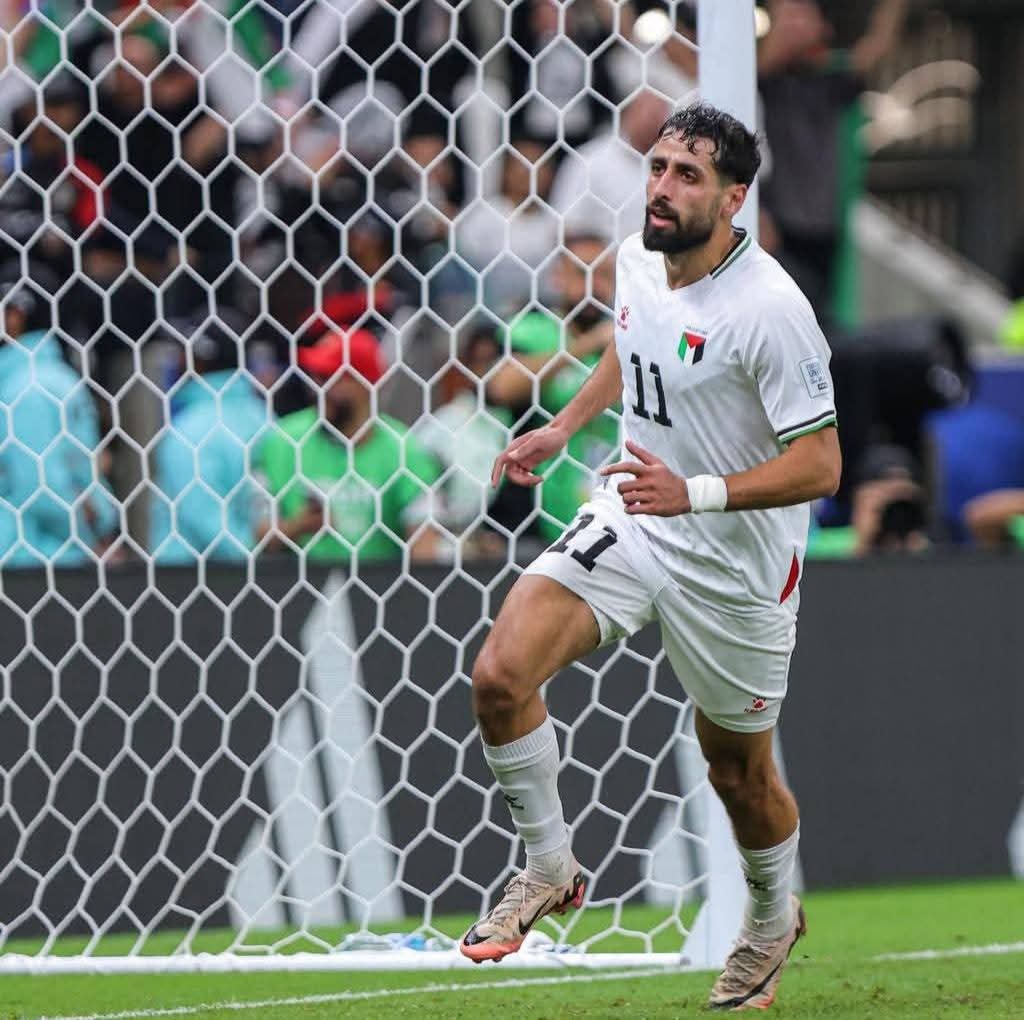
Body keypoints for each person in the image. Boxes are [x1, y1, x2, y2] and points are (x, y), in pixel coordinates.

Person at [459, 103, 842, 1014]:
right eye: (659, 167)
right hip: (636, 516)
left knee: (738, 775)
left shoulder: (771, 309)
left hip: (735, 567)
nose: (662, 188)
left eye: (688, 176)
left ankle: (769, 917)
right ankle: (548, 865)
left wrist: (695, 492)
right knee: (500, 676)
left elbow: (822, 464)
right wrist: (562, 426)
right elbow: (635, 350)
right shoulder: (637, 258)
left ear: (734, 198)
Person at [257, 330, 441, 564]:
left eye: (331, 377)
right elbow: (259, 535)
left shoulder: (405, 450)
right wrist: (298, 525)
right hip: (298, 581)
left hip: (380, 581)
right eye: (317, 377)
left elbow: (424, 544)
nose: (318, 388)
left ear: (366, 384)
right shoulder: (283, 441)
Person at [0, 276, 116, 567]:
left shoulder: (23, 389)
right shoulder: (62, 377)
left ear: (16, 316)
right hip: (67, 552)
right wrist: (97, 526)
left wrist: (89, 535)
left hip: (29, 557)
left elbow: (38, 487)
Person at [148, 316, 270, 564]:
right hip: (271, 575)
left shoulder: (188, 431)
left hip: (189, 576)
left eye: (181, 352)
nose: (175, 360)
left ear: (198, 361)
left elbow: (204, 518)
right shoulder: (267, 419)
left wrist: (249, 557)